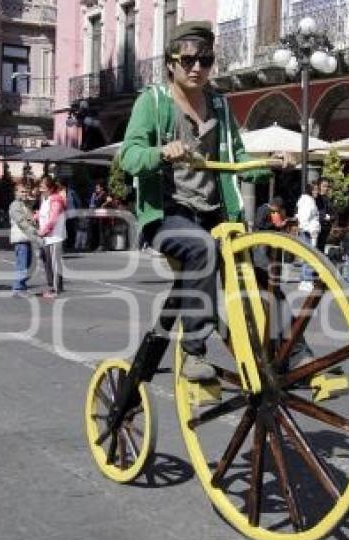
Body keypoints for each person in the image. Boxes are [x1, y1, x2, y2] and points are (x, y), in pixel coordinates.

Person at [119, 20, 288, 379]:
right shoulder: (152, 102)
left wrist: (270, 162)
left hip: (216, 213)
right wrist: (161, 152)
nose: (197, 68)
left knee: (257, 264)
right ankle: (193, 350)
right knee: (202, 248)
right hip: (167, 215)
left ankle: (292, 350)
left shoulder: (220, 106)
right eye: (189, 60)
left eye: (206, 61)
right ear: (171, 62)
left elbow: (237, 157)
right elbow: (129, 156)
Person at [36, 175, 66, 299]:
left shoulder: (56, 200)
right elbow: (44, 214)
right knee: (48, 262)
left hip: (55, 237)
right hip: (48, 237)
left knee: (54, 264)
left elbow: (53, 219)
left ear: (49, 187)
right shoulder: (45, 198)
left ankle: (56, 289)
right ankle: (53, 287)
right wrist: (36, 216)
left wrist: (44, 231)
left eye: (42, 185)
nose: (40, 187)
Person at [9, 182, 41, 297]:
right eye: (21, 191)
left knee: (27, 264)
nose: (24, 194)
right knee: (22, 264)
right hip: (20, 238)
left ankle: (22, 286)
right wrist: (33, 230)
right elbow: (21, 221)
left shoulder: (25, 204)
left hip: (27, 238)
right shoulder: (15, 205)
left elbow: (31, 216)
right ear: (15, 192)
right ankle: (18, 288)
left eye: (25, 192)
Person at [296, 183, 321, 291]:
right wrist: (310, 230)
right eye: (315, 189)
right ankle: (307, 280)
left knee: (308, 256)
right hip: (309, 232)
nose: (317, 191)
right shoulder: (308, 201)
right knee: (310, 256)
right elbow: (304, 218)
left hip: (309, 230)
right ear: (309, 190)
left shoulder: (308, 200)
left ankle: (305, 279)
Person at [315, 177, 334, 253]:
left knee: (321, 249)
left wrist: (331, 217)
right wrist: (323, 217)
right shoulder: (316, 198)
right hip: (318, 227)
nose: (326, 188)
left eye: (327, 186)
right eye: (324, 186)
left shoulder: (328, 199)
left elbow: (333, 212)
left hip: (325, 228)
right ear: (319, 186)